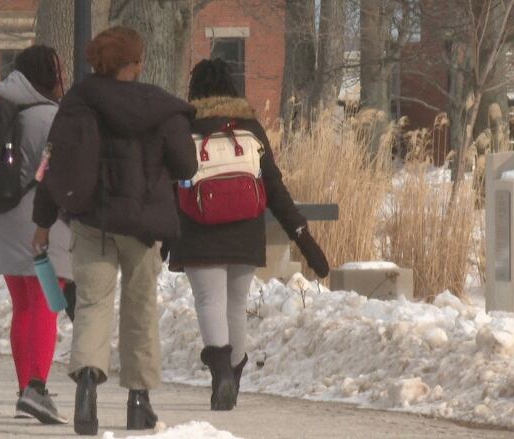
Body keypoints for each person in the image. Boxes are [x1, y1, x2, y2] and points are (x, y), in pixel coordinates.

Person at [32, 26, 198, 436]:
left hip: (92, 223)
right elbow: (187, 167)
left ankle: (87, 389)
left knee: (92, 304)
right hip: (144, 226)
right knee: (140, 310)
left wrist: (42, 222)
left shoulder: (76, 103)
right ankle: (139, 402)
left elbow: (52, 164)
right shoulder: (161, 107)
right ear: (136, 64)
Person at [168, 59, 330, 411]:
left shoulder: (184, 126)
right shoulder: (250, 127)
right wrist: (304, 238)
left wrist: (163, 233)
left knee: (210, 301)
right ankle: (234, 376)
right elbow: (274, 186)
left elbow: (168, 183)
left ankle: (222, 373)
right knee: (235, 306)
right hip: (245, 230)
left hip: (198, 229)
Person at [0, 44, 69, 425]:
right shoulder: (50, 118)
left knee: (23, 307)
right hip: (40, 228)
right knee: (47, 306)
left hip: (0, 222)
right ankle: (36, 388)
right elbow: (56, 173)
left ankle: (25, 390)